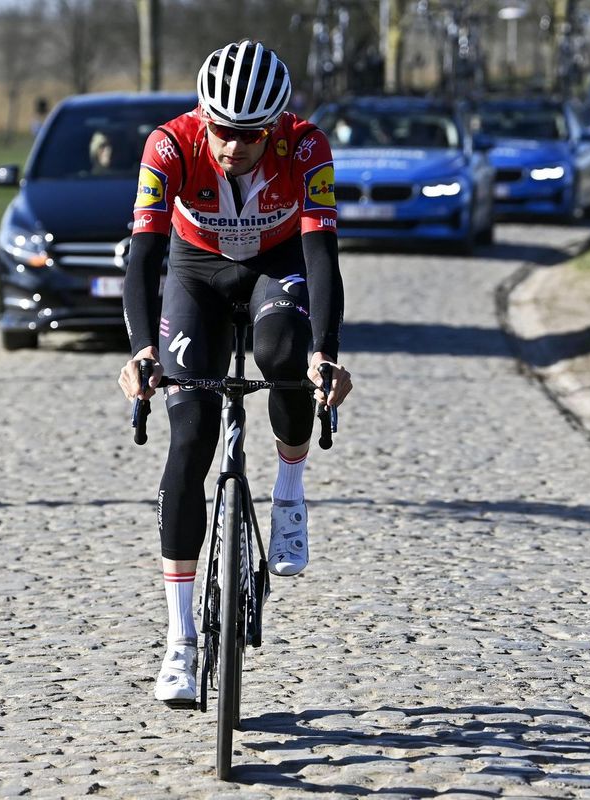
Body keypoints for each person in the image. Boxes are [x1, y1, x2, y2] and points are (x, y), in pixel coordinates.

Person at [117, 39, 353, 705]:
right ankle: (181, 642)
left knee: (284, 353)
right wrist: (139, 350)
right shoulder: (169, 145)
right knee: (188, 438)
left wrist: (326, 352)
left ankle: (289, 492)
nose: (231, 148)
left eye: (248, 136)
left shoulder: (307, 147)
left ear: (275, 125)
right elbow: (143, 255)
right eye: (220, 131)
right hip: (195, 270)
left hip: (275, 267)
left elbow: (323, 253)